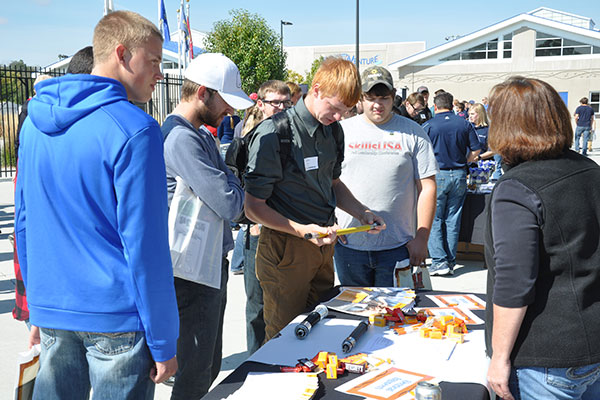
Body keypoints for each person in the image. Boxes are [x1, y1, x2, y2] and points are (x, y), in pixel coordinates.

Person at [15, 10, 179, 399]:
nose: (159, 73)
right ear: (122, 54)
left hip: (54, 306)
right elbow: (146, 245)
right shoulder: (135, 129)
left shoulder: (34, 123)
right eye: (154, 61)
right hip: (116, 317)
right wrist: (164, 340)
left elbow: (24, 222)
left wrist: (36, 304)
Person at [244, 57, 385, 341]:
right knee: (285, 338)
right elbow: (253, 208)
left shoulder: (333, 131)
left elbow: (332, 183)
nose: (337, 117)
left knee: (319, 329)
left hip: (323, 244)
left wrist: (361, 212)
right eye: (334, 108)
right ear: (317, 90)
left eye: (344, 112)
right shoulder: (275, 134)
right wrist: (301, 230)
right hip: (286, 248)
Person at [485, 76, 600, 400]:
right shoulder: (589, 170)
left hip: (545, 356)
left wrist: (499, 357)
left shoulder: (517, 188)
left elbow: (515, 282)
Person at [162, 52, 251, 399]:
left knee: (206, 366)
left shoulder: (197, 134)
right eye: (226, 101)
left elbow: (229, 183)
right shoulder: (183, 139)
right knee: (197, 371)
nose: (229, 111)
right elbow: (229, 201)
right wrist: (236, 190)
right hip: (192, 271)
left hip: (205, 263)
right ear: (203, 93)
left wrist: (232, 187)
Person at [334, 66, 438, 287]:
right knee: (355, 315)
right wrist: (329, 221)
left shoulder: (413, 133)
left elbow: (427, 187)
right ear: (360, 99)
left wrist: (422, 238)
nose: (377, 105)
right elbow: (326, 181)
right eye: (371, 98)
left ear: (393, 98)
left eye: (384, 98)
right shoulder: (340, 131)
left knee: (398, 317)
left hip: (398, 247)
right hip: (349, 246)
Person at [237, 80, 292, 354]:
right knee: (257, 304)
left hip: (291, 230)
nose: (281, 108)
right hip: (259, 230)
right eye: (275, 102)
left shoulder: (294, 134)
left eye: (286, 102)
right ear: (260, 104)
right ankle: (254, 362)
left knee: (286, 302)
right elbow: (240, 183)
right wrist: (254, 222)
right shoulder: (252, 136)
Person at [423, 91, 480, 276]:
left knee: (435, 218)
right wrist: (465, 161)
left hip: (437, 175)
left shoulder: (429, 125)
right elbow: (476, 150)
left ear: (436, 106)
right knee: (453, 219)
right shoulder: (464, 123)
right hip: (459, 174)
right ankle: (449, 260)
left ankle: (439, 262)